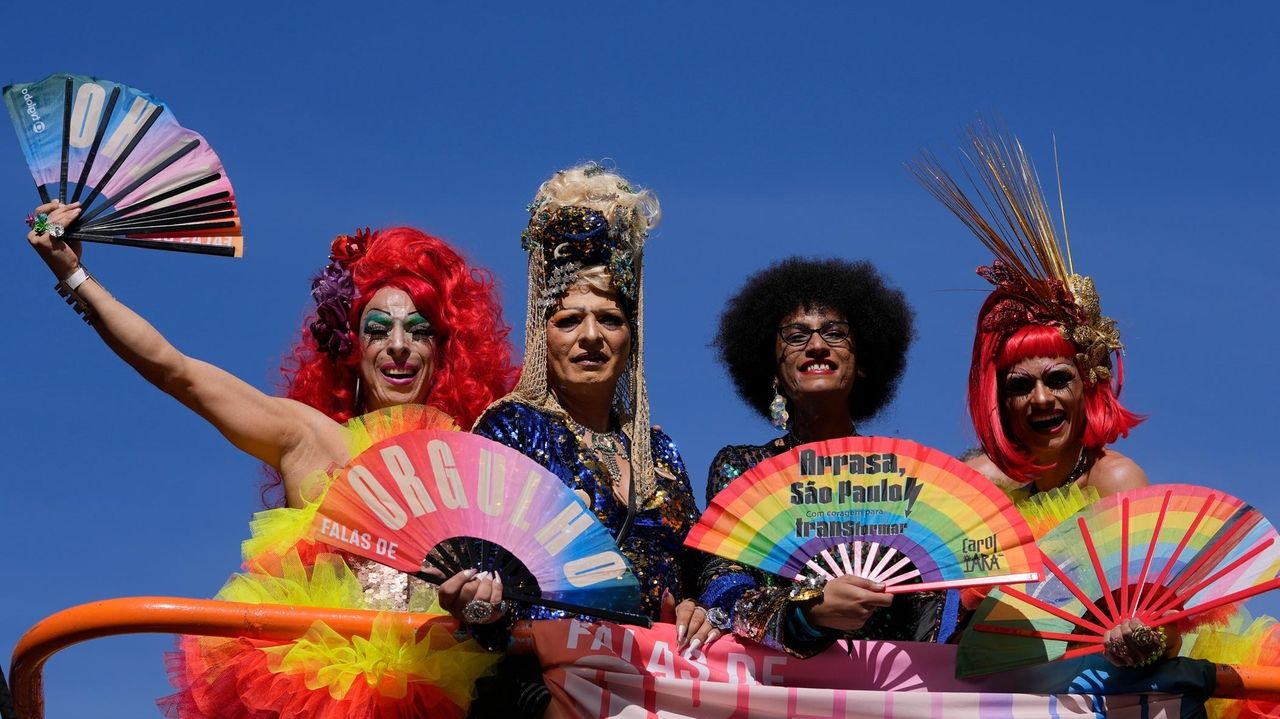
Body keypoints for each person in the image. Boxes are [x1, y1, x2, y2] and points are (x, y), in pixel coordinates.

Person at [25, 203, 517, 716]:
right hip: (316, 694)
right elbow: (177, 372)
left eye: (418, 330)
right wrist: (73, 273)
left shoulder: (478, 463)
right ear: (352, 346)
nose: (398, 346)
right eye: (378, 329)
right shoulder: (308, 439)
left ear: (444, 350)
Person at [442, 162, 701, 718]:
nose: (590, 337)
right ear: (543, 335)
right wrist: (480, 604)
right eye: (569, 320)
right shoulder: (511, 430)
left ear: (631, 337)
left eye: (609, 318)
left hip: (659, 692)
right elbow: (487, 584)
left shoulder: (662, 454)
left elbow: (702, 574)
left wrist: (703, 608)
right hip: (538, 690)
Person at [912, 127, 1157, 667]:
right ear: (998, 399)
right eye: (1020, 386)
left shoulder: (1112, 479)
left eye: (1058, 379)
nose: (1041, 399)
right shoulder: (979, 484)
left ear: (1087, 383)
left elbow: (1147, 611)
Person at [690, 257, 945, 659]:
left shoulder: (902, 476)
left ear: (862, 361)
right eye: (795, 335)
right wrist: (809, 612)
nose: (816, 345)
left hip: (882, 691)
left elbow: (930, 601)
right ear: (773, 367)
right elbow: (722, 583)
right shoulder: (741, 467)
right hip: (779, 691)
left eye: (834, 333)